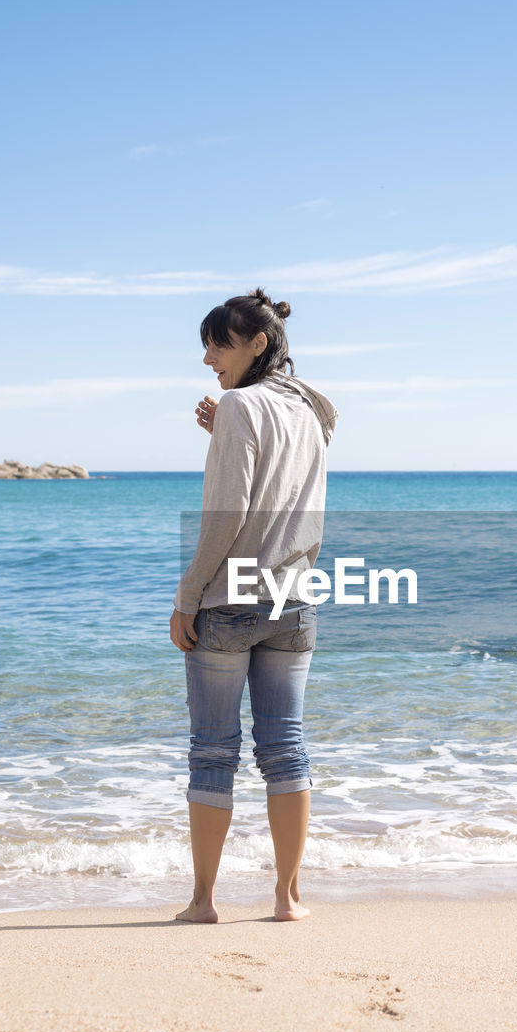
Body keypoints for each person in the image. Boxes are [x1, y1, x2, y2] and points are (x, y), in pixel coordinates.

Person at [170, 288, 338, 923]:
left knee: (214, 751)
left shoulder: (241, 404)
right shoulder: (313, 408)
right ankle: (288, 898)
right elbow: (287, 482)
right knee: (286, 748)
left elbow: (227, 517)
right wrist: (225, 434)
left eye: (219, 344)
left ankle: (204, 901)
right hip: (295, 602)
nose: (210, 358)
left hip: (231, 604)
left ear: (257, 343)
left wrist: (187, 597)